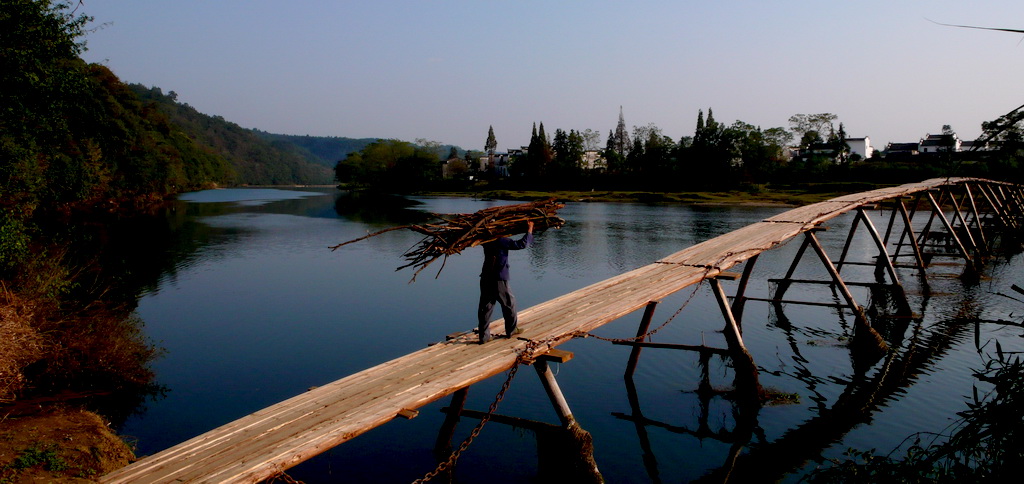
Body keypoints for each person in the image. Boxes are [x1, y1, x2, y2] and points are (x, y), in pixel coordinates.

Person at [478, 221, 533, 343]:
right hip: (499, 278)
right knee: (509, 304)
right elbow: (522, 244)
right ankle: (511, 330)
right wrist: (530, 229)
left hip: (486, 277)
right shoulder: (501, 241)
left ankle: (483, 336)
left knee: (485, 307)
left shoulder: (485, 240)